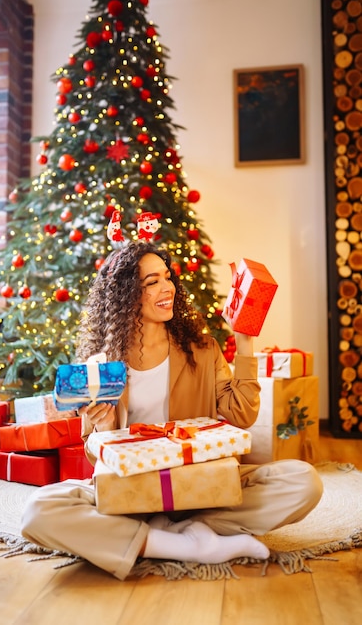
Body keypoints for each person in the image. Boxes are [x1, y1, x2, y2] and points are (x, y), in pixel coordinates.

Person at [21, 241, 323, 580]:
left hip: (200, 488)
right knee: (38, 510)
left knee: (304, 482)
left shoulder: (201, 350)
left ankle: (174, 531)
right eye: (152, 282)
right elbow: (95, 454)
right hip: (132, 493)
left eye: (167, 277)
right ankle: (183, 544)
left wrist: (244, 341)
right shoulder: (102, 365)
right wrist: (104, 431)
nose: (168, 288)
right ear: (126, 295)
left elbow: (241, 414)